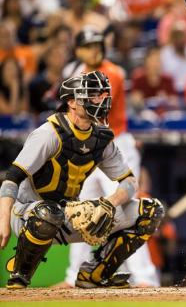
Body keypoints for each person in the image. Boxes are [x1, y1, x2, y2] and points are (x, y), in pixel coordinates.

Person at [0, 71, 164, 288]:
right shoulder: (49, 133)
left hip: (69, 214)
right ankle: (20, 274)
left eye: (101, 95)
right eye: (92, 95)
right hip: (28, 214)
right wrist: (3, 222)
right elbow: (12, 177)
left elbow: (130, 182)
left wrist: (110, 202)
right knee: (48, 213)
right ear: (71, 102)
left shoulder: (101, 137)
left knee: (151, 211)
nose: (100, 100)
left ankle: (95, 273)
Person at [59, 28, 160, 287]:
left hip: (115, 147)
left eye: (98, 44)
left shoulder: (111, 72)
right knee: (83, 212)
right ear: (78, 49)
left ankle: (145, 277)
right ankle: (74, 277)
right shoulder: (74, 72)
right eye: (89, 45)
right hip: (86, 149)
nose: (95, 49)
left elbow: (91, 109)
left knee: (128, 208)